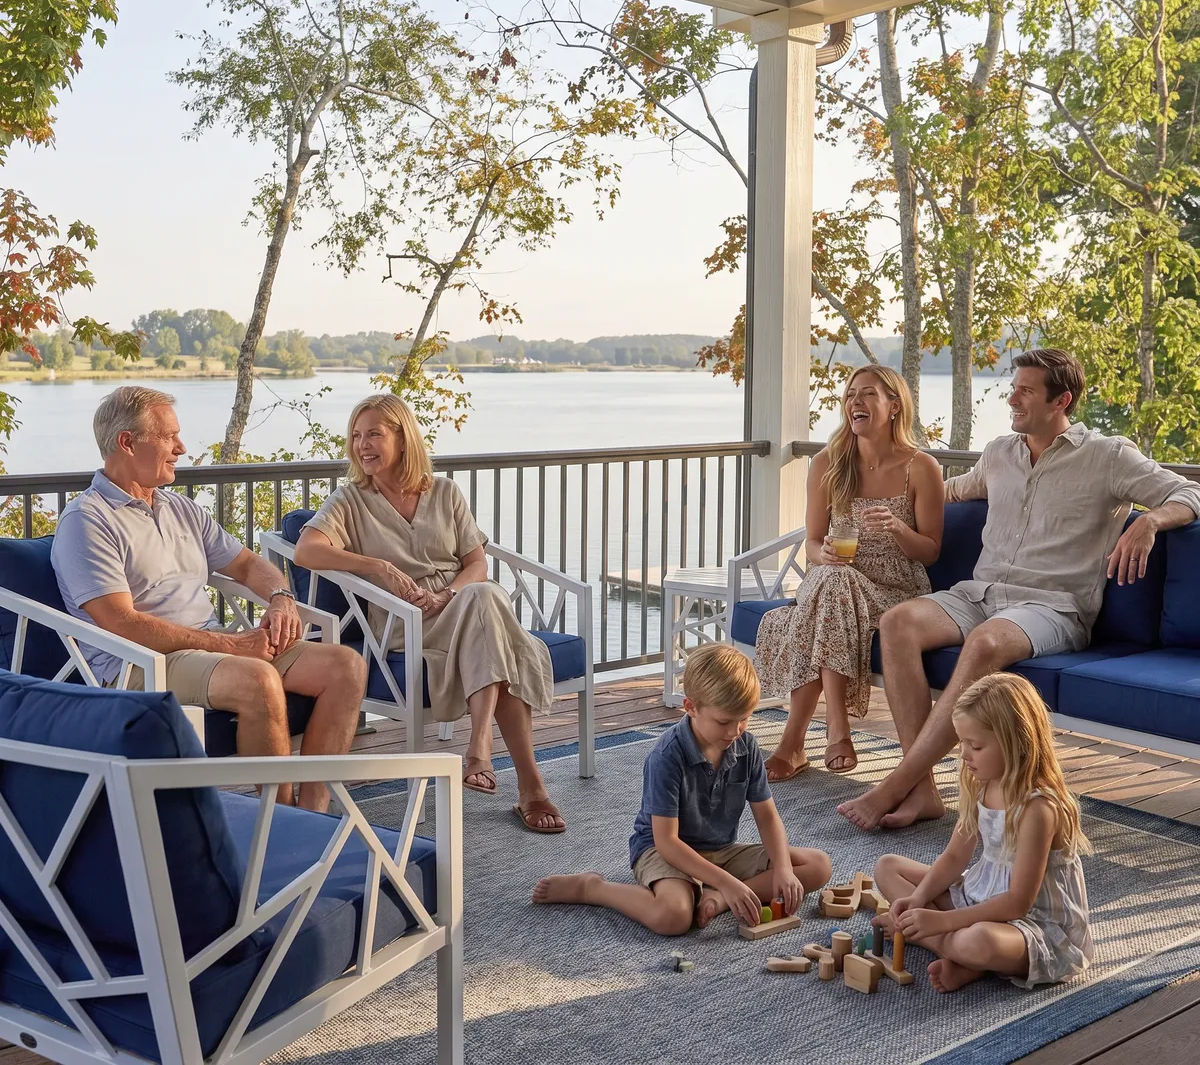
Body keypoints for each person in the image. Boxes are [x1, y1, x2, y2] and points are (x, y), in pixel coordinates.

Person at [840, 348, 1200, 831]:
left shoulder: (1108, 456)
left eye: (1025, 391)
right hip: (981, 594)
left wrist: (1150, 520)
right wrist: (867, 495)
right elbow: (949, 491)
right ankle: (923, 792)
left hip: (1053, 608)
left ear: (1061, 400)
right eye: (1014, 388)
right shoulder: (999, 454)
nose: (1011, 397)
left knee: (986, 641)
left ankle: (896, 782)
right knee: (898, 621)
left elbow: (1190, 492)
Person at [51, 386, 367, 812]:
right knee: (256, 678)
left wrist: (279, 598)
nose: (182, 447)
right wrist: (234, 645)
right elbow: (121, 623)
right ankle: (282, 821)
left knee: (345, 665)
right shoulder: (87, 521)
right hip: (139, 665)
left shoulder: (180, 509)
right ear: (127, 442)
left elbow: (250, 564)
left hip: (207, 645)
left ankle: (314, 811)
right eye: (169, 437)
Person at [293, 394, 565, 833]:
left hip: (459, 608)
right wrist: (377, 566)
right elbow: (307, 550)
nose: (362, 446)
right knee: (495, 616)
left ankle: (482, 748)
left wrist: (450, 595)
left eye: (374, 434)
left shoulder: (445, 492)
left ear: (403, 438)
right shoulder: (350, 499)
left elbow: (476, 564)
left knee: (483, 598)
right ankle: (524, 781)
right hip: (404, 623)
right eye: (356, 436)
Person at [531, 644, 831, 934]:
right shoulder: (667, 756)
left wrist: (782, 868)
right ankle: (593, 888)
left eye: (744, 719)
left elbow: (767, 817)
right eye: (724, 721)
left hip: (721, 850)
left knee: (817, 865)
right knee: (672, 917)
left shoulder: (746, 746)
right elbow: (667, 843)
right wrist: (728, 880)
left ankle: (722, 896)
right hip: (665, 852)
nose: (734, 731)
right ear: (690, 708)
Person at [755, 365, 943, 779]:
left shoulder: (922, 467)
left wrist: (898, 528)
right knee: (833, 584)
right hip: (837, 581)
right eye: (850, 394)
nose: (854, 401)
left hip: (896, 589)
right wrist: (825, 557)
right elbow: (812, 543)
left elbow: (929, 552)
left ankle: (797, 742)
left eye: (867, 394)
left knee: (804, 613)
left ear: (894, 406)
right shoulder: (827, 462)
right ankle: (835, 729)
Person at [873, 673, 1094, 993]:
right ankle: (957, 954)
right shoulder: (982, 784)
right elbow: (953, 857)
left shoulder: (1038, 808)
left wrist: (940, 921)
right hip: (980, 896)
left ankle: (959, 954)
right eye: (962, 742)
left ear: (1015, 741)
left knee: (978, 941)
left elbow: (1018, 903)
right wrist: (917, 902)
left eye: (975, 745)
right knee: (888, 867)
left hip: (1035, 925)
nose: (964, 754)